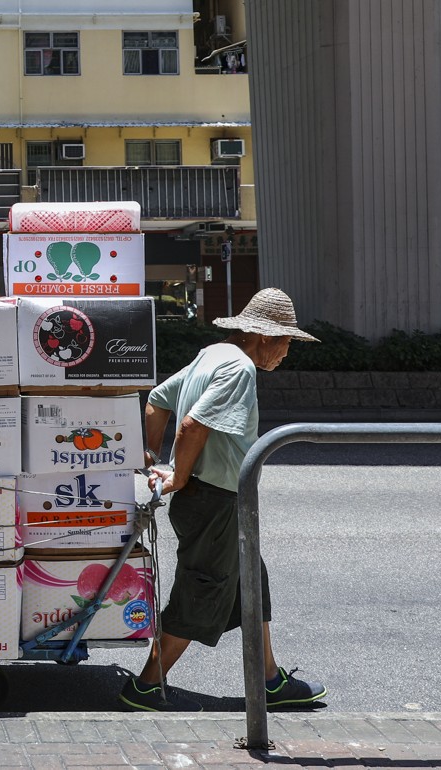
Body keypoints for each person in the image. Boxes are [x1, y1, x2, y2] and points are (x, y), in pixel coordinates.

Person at [120, 288, 328, 712]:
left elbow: (158, 400)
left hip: (216, 499)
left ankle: (269, 678)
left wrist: (149, 455)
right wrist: (176, 474)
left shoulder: (213, 353)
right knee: (204, 587)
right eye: (286, 342)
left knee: (252, 581)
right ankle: (145, 685)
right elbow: (193, 425)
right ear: (264, 337)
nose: (287, 352)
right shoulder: (239, 368)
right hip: (214, 499)